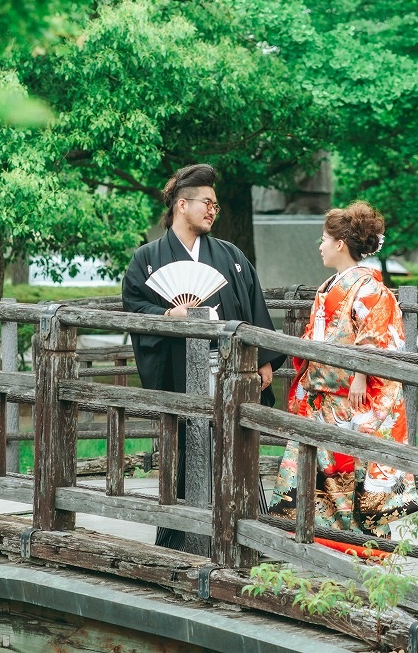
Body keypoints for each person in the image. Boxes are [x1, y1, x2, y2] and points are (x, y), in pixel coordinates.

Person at [122, 163, 285, 549]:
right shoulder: (147, 259)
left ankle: (242, 534)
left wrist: (263, 359)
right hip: (179, 370)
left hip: (228, 368)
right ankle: (183, 535)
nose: (213, 210)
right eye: (206, 203)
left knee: (235, 444)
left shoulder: (232, 257)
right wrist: (166, 315)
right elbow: (134, 308)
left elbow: (253, 310)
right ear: (182, 204)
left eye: (216, 205)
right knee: (185, 447)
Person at [268, 202, 418, 556]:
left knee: (354, 466)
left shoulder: (369, 288)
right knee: (326, 464)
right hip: (326, 393)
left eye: (323, 238)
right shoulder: (332, 284)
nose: (319, 245)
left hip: (355, 396)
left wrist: (359, 375)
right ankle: (328, 538)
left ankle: (361, 542)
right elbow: (318, 334)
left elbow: (375, 336)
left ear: (340, 243)